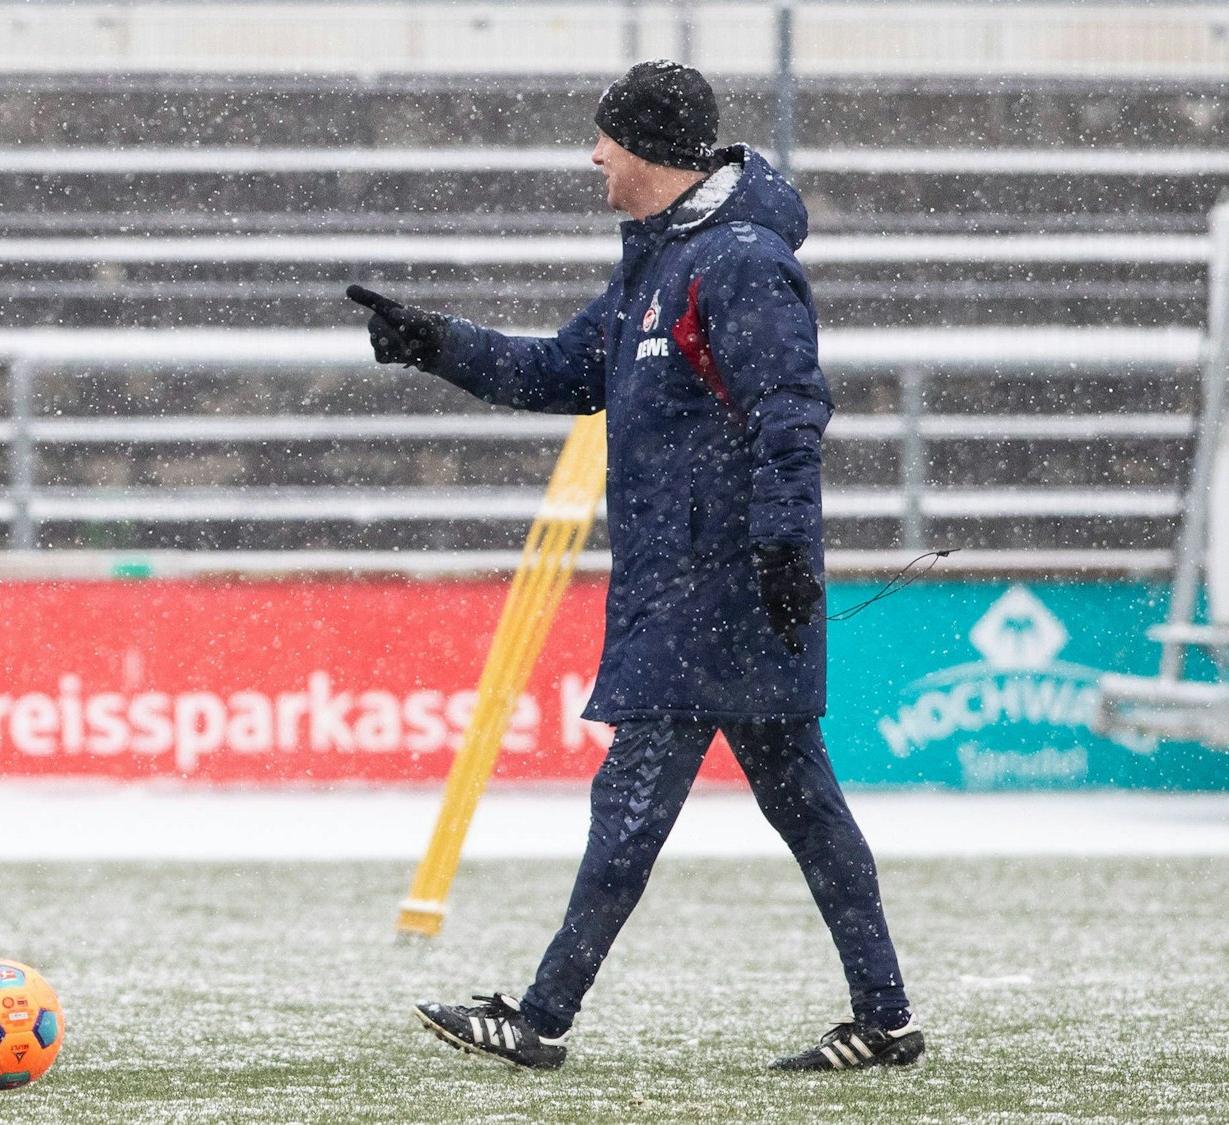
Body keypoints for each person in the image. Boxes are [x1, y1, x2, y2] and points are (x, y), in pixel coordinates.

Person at [350, 60, 921, 1072]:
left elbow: (790, 408)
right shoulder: (657, 263)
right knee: (801, 805)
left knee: (633, 802)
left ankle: (541, 1017)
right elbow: (558, 372)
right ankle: (882, 1021)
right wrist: (434, 342)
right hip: (690, 587)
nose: (593, 155)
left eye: (604, 138)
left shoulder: (735, 260)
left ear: (648, 151)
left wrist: (784, 546)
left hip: (722, 589)